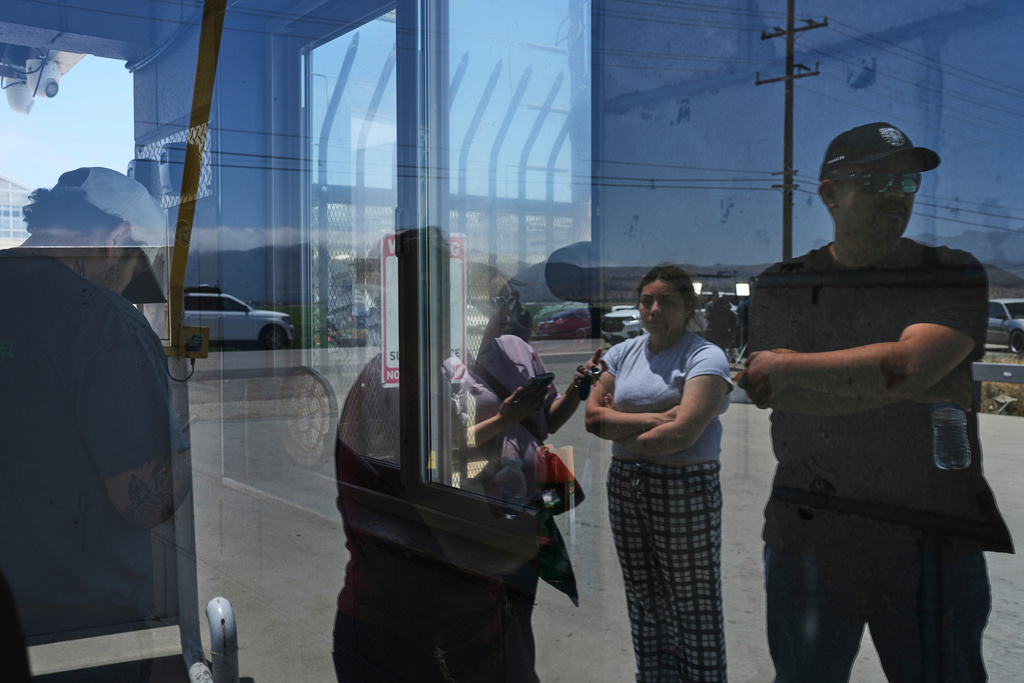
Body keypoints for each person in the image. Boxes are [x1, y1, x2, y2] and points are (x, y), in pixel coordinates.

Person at [739, 123, 1013, 682]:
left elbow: (906, 366)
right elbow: (781, 397)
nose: (896, 192)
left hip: (932, 541)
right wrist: (910, 384)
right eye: (875, 178)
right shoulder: (782, 284)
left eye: (907, 180)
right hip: (811, 539)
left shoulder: (950, 272)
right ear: (830, 193)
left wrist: (792, 364)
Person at [332, 248, 600, 682]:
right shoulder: (408, 382)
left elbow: (446, 461)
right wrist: (512, 540)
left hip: (448, 607)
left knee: (517, 632)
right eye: (483, 300)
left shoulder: (426, 374)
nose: (500, 311)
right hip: (424, 620)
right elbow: (434, 479)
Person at [0, 167, 189, 639]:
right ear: (117, 238)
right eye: (132, 270)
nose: (126, 288)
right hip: (80, 623)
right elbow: (147, 503)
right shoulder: (103, 323)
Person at [585, 264, 733, 683]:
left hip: (684, 486)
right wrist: (659, 417)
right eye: (647, 300)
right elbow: (593, 420)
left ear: (688, 307)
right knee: (644, 596)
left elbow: (680, 436)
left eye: (667, 301)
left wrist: (624, 422)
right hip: (626, 485)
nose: (654, 309)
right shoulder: (621, 353)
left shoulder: (705, 356)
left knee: (692, 601)